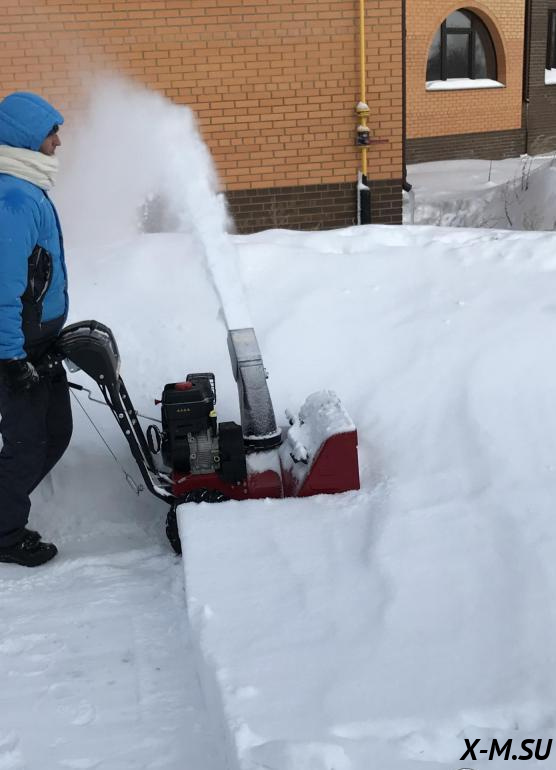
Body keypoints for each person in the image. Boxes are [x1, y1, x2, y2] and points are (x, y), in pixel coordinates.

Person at [0, 92, 72, 567]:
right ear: (27, 138)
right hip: (17, 347)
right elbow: (2, 288)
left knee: (55, 432)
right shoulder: (14, 200)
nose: (58, 142)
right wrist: (10, 358)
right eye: (51, 133)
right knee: (29, 445)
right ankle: (4, 534)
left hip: (38, 340)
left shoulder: (26, 187)